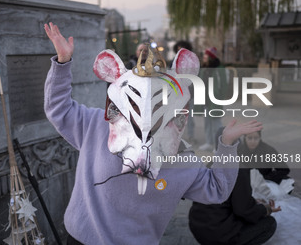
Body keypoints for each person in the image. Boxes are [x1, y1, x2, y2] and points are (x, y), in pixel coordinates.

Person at [43, 22, 263, 245]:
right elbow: (58, 109)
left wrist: (226, 143)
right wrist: (62, 62)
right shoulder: (97, 125)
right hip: (81, 239)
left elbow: (218, 189)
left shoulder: (181, 159)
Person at [189, 127, 280, 245]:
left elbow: (230, 200)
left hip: (197, 226)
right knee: (269, 224)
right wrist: (266, 209)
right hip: (217, 234)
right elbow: (244, 210)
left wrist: (253, 202)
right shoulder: (239, 168)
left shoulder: (210, 164)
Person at [198, 47, 227, 152]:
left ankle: (219, 146)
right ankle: (209, 143)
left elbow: (224, 85)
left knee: (216, 124)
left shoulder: (219, 69)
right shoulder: (205, 68)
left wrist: (220, 98)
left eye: (206, 55)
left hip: (215, 101)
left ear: (210, 57)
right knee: (207, 124)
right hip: (206, 100)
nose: (204, 57)